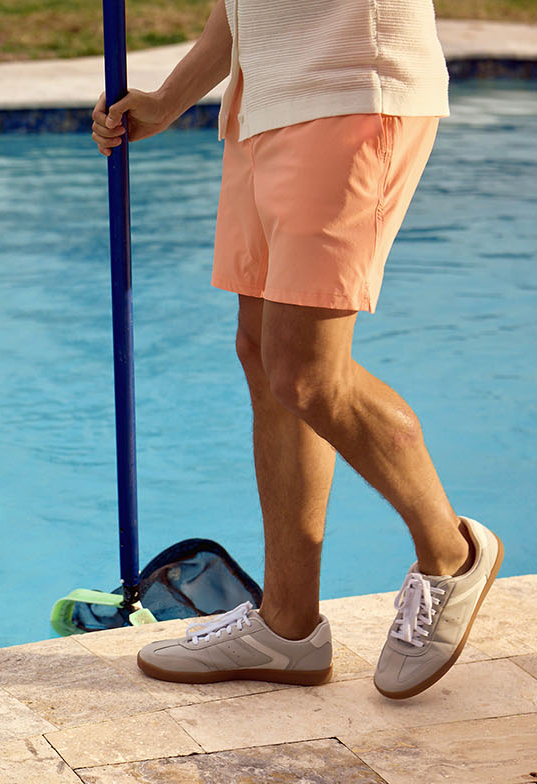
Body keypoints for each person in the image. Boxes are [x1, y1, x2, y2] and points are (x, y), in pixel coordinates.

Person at [89, 0, 503, 699]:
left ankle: (451, 551)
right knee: (264, 358)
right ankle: (287, 629)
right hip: (266, 101)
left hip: (350, 90)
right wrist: (171, 97)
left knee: (310, 374)